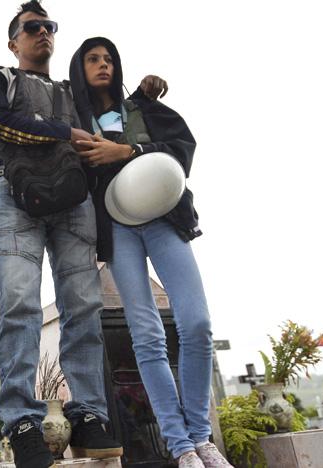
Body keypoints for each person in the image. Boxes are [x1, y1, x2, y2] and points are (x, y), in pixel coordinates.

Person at [0, 2, 166, 467]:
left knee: (83, 304)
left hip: (74, 197)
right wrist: (65, 132)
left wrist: (144, 94)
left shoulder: (70, 90)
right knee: (20, 302)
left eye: (49, 26)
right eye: (32, 27)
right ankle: (22, 421)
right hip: (15, 192)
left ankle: (88, 414)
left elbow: (109, 115)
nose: (42, 33)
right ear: (14, 41)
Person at [67, 37, 232, 468]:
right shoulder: (73, 117)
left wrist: (129, 150)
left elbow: (180, 150)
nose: (103, 65)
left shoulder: (140, 108)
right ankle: (181, 448)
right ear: (78, 67)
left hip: (163, 219)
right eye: (93, 59)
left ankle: (202, 438)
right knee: (146, 335)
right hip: (117, 228)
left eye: (109, 59)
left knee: (196, 323)